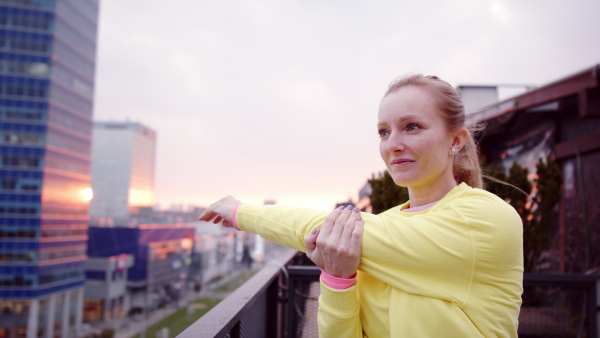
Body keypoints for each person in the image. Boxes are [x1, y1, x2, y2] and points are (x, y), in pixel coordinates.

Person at [199, 74, 523, 337]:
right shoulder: (387, 223)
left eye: (412, 126)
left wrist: (242, 212)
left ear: (456, 140)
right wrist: (338, 279)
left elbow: (319, 225)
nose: (393, 145)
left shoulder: (486, 218)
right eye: (384, 132)